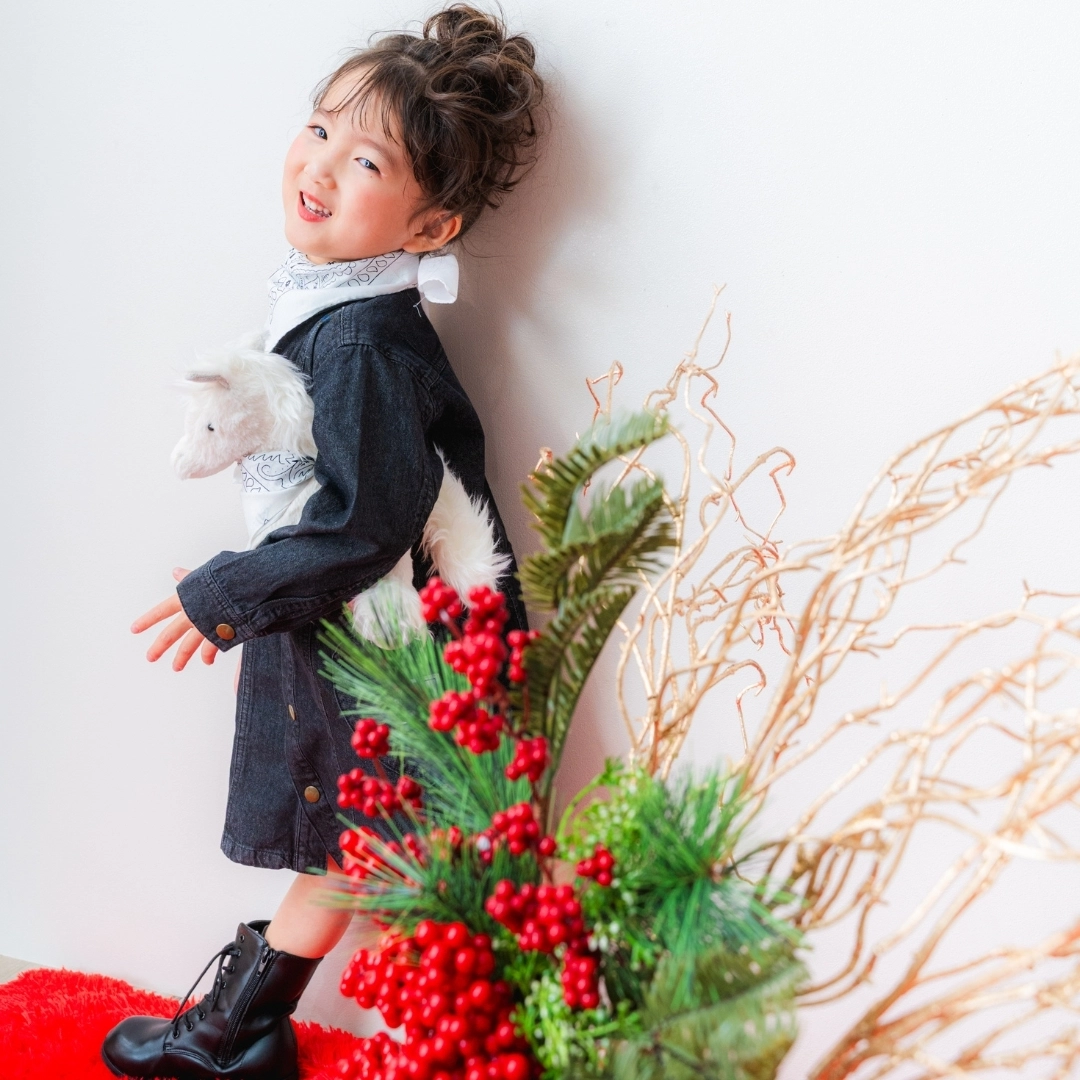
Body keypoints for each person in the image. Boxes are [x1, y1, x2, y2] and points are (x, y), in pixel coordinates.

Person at [102, 8, 542, 1078]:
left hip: (398, 646)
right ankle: (246, 1033)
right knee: (364, 840)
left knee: (364, 838)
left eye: (366, 160)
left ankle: (239, 1036)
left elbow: (363, 520)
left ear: (430, 225)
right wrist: (254, 579)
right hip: (368, 630)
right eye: (318, 129)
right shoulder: (332, 312)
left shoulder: (363, 343)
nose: (320, 165)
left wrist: (232, 593)